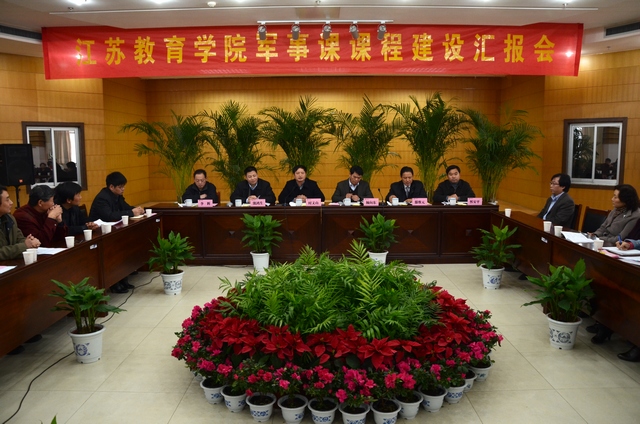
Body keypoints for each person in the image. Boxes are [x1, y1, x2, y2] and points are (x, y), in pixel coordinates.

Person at [0, 185, 40, 260]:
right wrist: (24, 245)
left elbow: (19, 238)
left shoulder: (10, 219)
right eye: (7, 200)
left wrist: (30, 242)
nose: (11, 202)